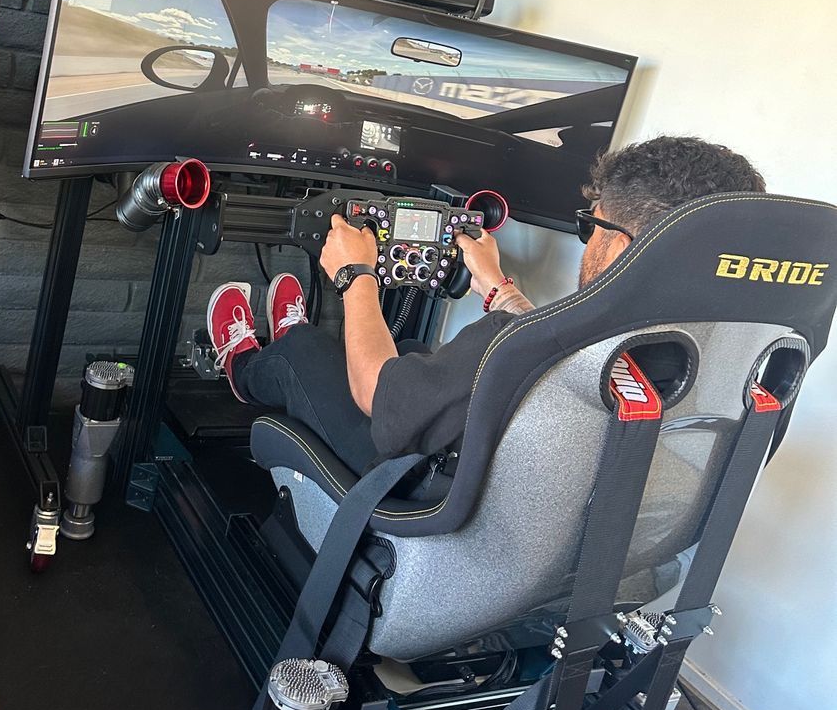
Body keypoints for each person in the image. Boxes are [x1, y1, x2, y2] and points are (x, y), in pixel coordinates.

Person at [206, 136, 766, 477]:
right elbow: (565, 356)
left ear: (619, 245)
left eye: (590, 227)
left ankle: (244, 367)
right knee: (415, 349)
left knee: (303, 350)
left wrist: (357, 276)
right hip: (539, 527)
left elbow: (377, 394)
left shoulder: (511, 347)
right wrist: (497, 287)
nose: (588, 240)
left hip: (414, 497)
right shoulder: (734, 363)